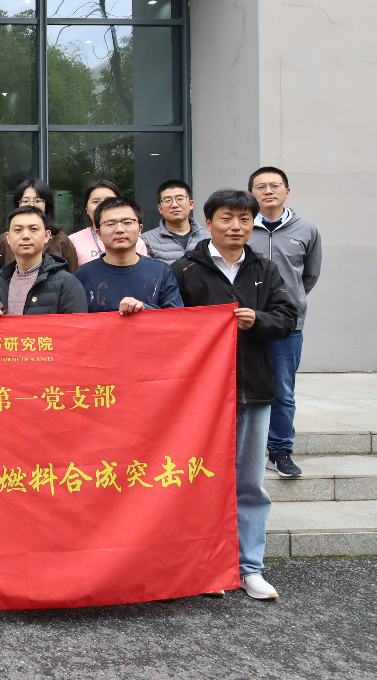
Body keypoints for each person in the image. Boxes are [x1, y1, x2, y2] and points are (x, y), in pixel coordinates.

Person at [172, 189, 298, 601]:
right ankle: (207, 566)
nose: (236, 227)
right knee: (200, 481)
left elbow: (287, 317)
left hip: (253, 389)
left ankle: (249, 567)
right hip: (200, 397)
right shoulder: (183, 270)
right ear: (208, 223)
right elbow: (169, 326)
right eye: (227, 218)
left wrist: (256, 320)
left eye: (245, 219)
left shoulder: (265, 268)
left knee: (249, 483)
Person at [247, 167, 323, 479]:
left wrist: (288, 305)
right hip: (246, 322)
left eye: (274, 185)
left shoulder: (307, 229)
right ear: (251, 192)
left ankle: (280, 451)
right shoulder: (242, 226)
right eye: (260, 186)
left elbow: (310, 276)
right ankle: (242, 449)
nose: (268, 191)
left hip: (286, 325)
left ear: (286, 191)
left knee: (283, 390)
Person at [74, 197, 183, 314]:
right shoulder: (83, 275)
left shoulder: (161, 271)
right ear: (98, 233)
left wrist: (145, 310)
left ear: (140, 229)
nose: (119, 230)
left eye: (127, 222)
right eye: (110, 224)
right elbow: (75, 320)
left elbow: (176, 317)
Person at [0, 206, 87, 318]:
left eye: (33, 229)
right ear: (8, 237)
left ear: (47, 236)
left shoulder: (66, 283)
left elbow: (78, 326)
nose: (26, 236)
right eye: (18, 230)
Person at [0, 178, 79, 273]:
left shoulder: (61, 240)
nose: (31, 205)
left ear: (47, 205)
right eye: (25, 201)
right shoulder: (4, 241)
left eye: (37, 201)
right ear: (18, 204)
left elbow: (72, 274)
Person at [69, 180, 148, 266]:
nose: (102, 206)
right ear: (86, 208)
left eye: (109, 201)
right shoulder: (73, 241)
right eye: (96, 202)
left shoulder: (134, 241)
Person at [141, 179, 207, 263]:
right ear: (160, 209)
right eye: (168, 200)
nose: (174, 205)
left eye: (180, 199)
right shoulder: (147, 240)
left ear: (191, 204)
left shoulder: (209, 238)